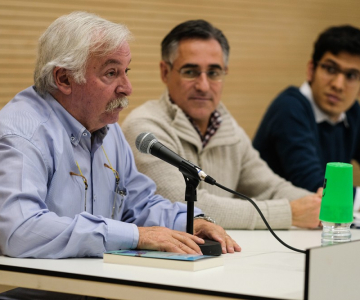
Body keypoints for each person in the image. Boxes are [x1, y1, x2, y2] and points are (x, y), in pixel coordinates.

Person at [0, 12, 240, 261]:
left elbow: (139, 203)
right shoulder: (19, 136)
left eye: (126, 71)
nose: (127, 88)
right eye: (111, 73)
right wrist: (137, 236)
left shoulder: (105, 130)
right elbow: (22, 231)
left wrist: (191, 221)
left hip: (91, 283)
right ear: (64, 79)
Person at [121, 20, 322, 230]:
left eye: (214, 73)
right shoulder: (145, 128)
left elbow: (270, 187)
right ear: (165, 72)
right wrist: (288, 213)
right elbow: (183, 205)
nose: (203, 85)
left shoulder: (227, 126)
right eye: (190, 72)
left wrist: (317, 204)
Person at [253, 25, 360, 212]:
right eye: (330, 69)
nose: (338, 85)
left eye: (351, 75)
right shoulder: (289, 107)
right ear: (311, 69)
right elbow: (314, 187)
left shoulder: (353, 113)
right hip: (271, 227)